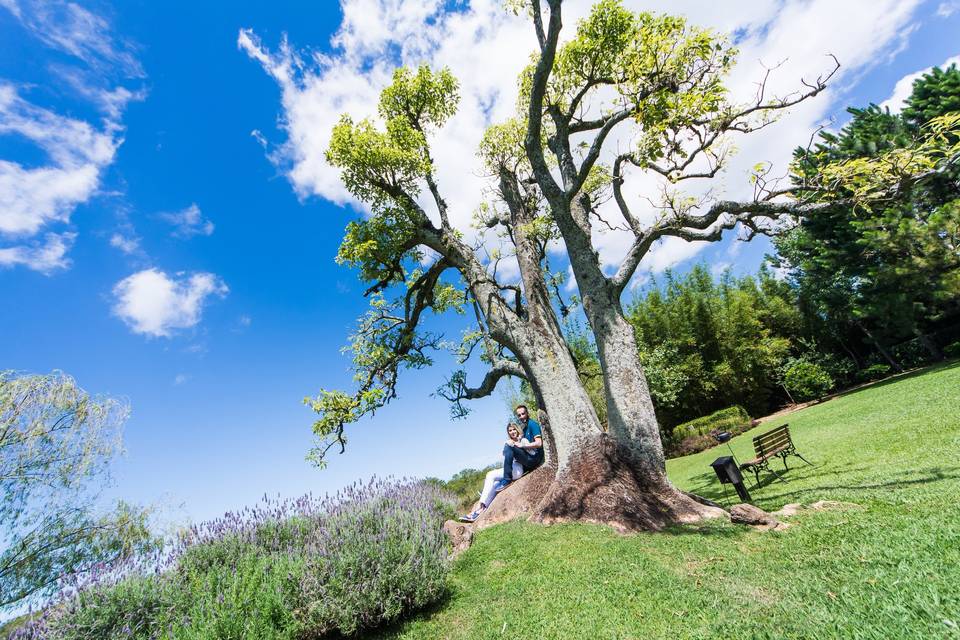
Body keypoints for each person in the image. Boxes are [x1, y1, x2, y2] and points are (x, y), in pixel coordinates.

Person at [458, 422, 529, 523]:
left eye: (514, 429)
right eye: (510, 430)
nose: (512, 432)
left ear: (517, 429)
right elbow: (505, 455)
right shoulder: (509, 442)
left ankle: (479, 505)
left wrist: (516, 443)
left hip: (518, 469)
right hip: (512, 468)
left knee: (490, 474)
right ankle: (479, 511)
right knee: (494, 484)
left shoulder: (522, 439)